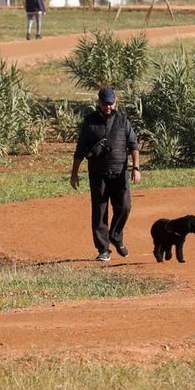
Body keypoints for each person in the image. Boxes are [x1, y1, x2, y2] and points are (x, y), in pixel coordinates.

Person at [70, 87, 142, 262]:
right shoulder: (90, 122)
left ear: (115, 102)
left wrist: (136, 168)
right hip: (98, 174)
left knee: (124, 206)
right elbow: (80, 150)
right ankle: (103, 249)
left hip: (120, 173)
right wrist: (74, 174)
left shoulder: (123, 121)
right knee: (100, 212)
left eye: (111, 103)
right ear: (99, 103)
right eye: (105, 104)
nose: (108, 107)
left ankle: (116, 235)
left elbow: (134, 146)